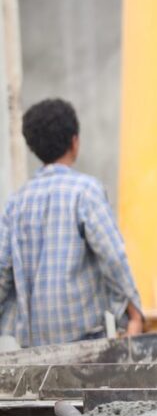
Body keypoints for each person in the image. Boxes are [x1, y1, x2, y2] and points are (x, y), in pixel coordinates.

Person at [0, 98, 143, 348]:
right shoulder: (85, 192)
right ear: (74, 142)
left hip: (33, 351)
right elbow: (113, 256)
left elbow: (2, 271)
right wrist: (134, 312)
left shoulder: (16, 203)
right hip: (84, 344)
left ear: (33, 147)